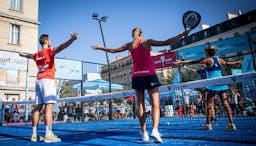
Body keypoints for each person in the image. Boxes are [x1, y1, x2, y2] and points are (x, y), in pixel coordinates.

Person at [92, 27, 189, 143]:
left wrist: (100, 48)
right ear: (141, 34)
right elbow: (166, 42)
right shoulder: (147, 42)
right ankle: (155, 130)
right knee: (155, 104)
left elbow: (113, 50)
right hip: (149, 75)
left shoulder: (129, 45)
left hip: (137, 76)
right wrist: (181, 35)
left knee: (141, 105)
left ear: (132, 35)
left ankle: (144, 134)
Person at [19, 32, 78, 143]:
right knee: (49, 108)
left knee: (37, 107)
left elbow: (29, 55)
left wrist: (22, 54)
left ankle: (34, 135)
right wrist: (72, 40)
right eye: (49, 40)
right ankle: (47, 135)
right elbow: (62, 47)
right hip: (48, 80)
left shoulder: (37, 54)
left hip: (39, 81)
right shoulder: (49, 51)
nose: (50, 42)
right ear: (46, 41)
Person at [174, 46, 241, 131]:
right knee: (225, 104)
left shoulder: (208, 60)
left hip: (212, 84)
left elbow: (193, 61)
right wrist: (237, 62)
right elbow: (228, 63)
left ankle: (208, 124)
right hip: (221, 83)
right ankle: (231, 124)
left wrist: (180, 62)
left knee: (208, 105)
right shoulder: (220, 60)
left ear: (207, 52)